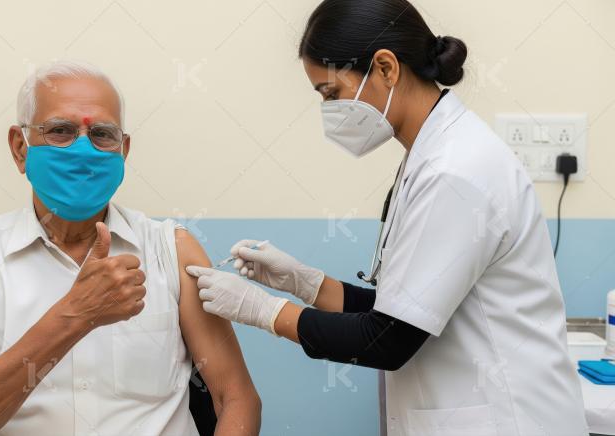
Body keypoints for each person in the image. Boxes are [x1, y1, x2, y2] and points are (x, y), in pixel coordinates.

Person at [186, 0, 588, 435]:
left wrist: (263, 310)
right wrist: (306, 283)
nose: (330, 111)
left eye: (331, 93)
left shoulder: (456, 171)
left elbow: (388, 340)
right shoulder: (431, 157)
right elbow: (401, 309)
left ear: (385, 68)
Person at [0, 60, 261, 436]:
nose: (82, 150)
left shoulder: (171, 250)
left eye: (102, 135)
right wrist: (76, 315)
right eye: (60, 131)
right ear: (20, 148)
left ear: (123, 150)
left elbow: (235, 398)